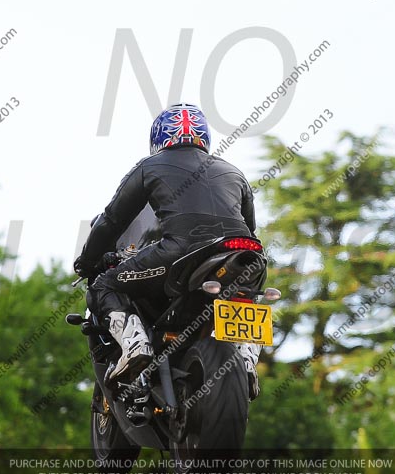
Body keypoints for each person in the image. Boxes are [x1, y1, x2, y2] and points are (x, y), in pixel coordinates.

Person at [73, 103, 262, 399]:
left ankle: (136, 346)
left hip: (179, 252)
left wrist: (87, 260)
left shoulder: (150, 166)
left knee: (103, 286)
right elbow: (250, 228)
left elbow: (112, 220)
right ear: (204, 137)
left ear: (158, 139)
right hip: (244, 255)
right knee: (248, 297)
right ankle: (247, 359)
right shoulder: (233, 171)